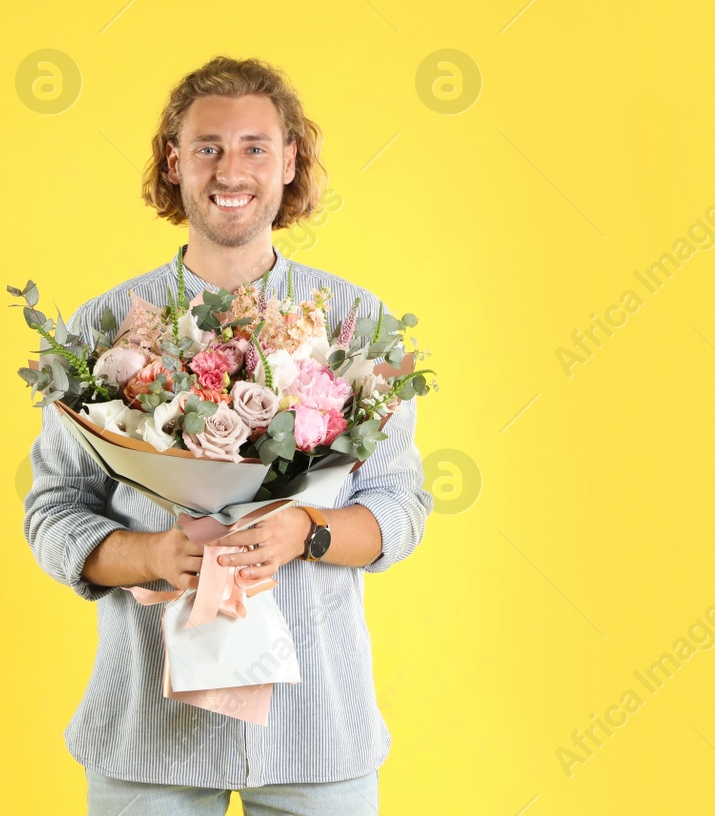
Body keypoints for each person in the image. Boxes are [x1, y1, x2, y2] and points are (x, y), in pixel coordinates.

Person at [22, 55, 432, 815]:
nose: (230, 169)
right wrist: (150, 554)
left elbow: (401, 507)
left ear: (289, 161)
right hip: (148, 729)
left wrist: (305, 531)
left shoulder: (358, 325)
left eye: (254, 146)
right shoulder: (101, 330)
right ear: (175, 162)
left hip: (316, 727)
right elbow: (50, 510)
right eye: (208, 146)